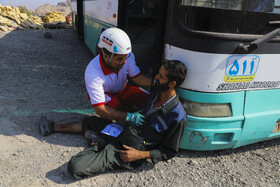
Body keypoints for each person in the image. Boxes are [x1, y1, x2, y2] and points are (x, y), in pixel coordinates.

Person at [57, 59, 187, 179]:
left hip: (128, 150)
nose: (156, 77)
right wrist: (129, 118)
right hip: (123, 131)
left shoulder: (177, 116)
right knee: (91, 122)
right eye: (158, 73)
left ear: (172, 84)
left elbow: (169, 151)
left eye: (161, 76)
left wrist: (139, 155)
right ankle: (53, 127)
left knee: (75, 167)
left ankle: (101, 144)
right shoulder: (156, 92)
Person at [40, 28, 153, 137]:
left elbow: (137, 78)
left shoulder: (126, 56)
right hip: (106, 96)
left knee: (147, 99)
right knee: (115, 107)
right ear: (106, 55)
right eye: (119, 59)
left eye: (125, 57)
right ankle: (104, 128)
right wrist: (128, 117)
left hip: (121, 89)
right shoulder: (92, 72)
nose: (124, 61)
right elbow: (100, 109)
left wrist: (156, 83)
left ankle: (115, 121)